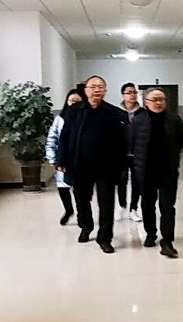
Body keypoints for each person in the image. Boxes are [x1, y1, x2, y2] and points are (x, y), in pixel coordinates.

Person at [56, 75, 127, 254]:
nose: (97, 90)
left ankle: (105, 238)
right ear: (85, 90)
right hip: (80, 164)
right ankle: (86, 226)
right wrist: (61, 159)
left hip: (106, 166)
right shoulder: (74, 112)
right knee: (81, 199)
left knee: (106, 203)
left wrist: (122, 165)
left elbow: (121, 142)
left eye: (100, 87)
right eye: (93, 87)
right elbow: (64, 136)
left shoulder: (114, 113)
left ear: (105, 91)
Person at [131, 88, 183, 258]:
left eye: (161, 99)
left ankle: (167, 240)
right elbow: (131, 143)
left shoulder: (174, 119)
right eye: (154, 99)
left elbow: (180, 141)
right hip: (145, 170)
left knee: (167, 206)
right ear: (146, 102)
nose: (159, 102)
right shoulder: (139, 120)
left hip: (167, 170)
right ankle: (150, 234)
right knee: (147, 204)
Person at [45, 89, 82, 226]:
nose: (73, 104)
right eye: (71, 101)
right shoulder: (59, 118)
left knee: (79, 190)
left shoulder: (84, 118)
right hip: (63, 159)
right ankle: (68, 210)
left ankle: (81, 214)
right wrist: (52, 158)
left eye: (77, 101)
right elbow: (52, 138)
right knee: (62, 187)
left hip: (79, 160)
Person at [120, 82, 143, 222]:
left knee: (137, 182)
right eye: (129, 92)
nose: (132, 95)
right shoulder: (117, 113)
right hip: (121, 154)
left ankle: (133, 209)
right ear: (123, 95)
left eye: (134, 92)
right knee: (121, 181)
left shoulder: (143, 113)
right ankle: (122, 205)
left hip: (138, 154)